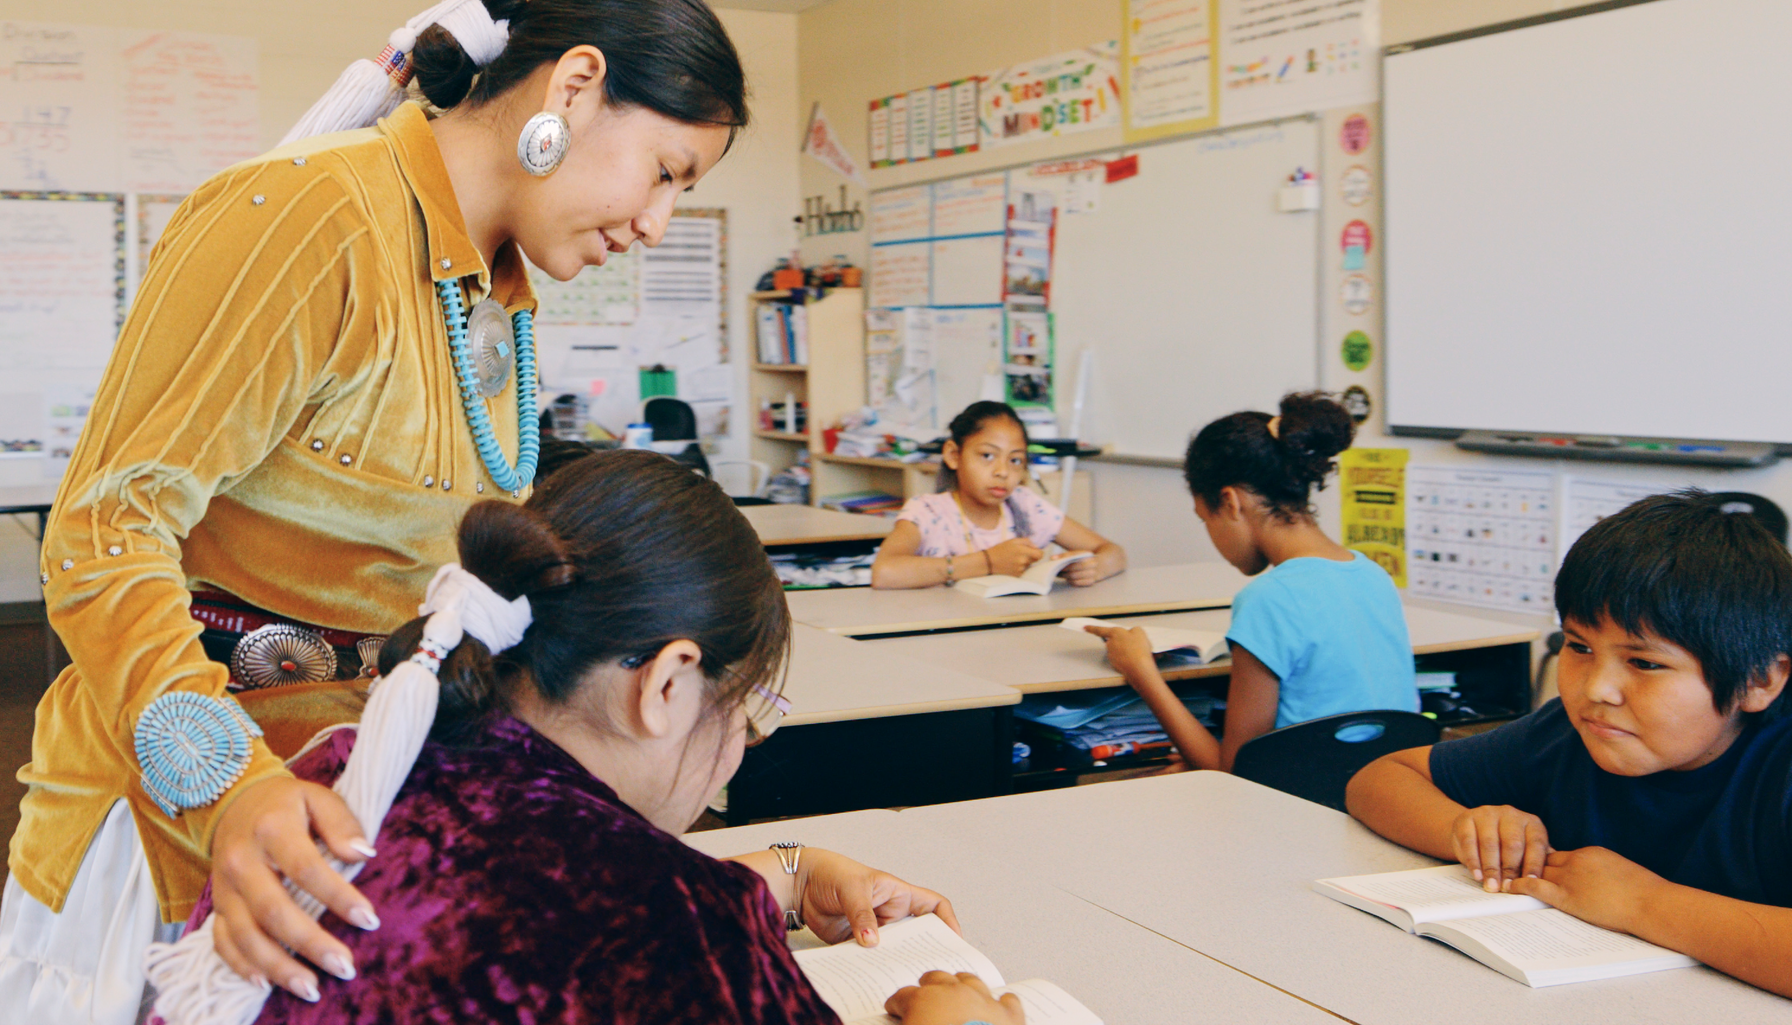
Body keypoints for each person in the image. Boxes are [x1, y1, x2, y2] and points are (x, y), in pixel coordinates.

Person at [0, 0, 751, 1024]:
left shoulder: (497, 286)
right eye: (666, 170)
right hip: (182, 822)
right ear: (573, 85)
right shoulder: (311, 217)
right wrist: (228, 790)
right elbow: (104, 532)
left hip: (342, 801)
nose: (658, 221)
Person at [147, 449, 1024, 1025]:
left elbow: (509, 893)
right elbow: (596, 912)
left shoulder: (343, 779)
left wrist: (784, 878)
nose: (740, 745)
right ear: (669, 683)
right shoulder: (675, 929)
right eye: (747, 710)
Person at [1345, 491, 1792, 1014]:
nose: (1596, 689)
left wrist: (1643, 903)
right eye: (1579, 647)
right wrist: (1467, 828)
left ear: (1760, 679)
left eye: (1645, 663)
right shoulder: (1574, 733)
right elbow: (1381, 778)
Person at [1079, 392, 1416, 772]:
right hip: (1384, 792)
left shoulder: (1268, 599)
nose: (1210, 533)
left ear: (1230, 502)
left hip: (1304, 803)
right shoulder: (1373, 575)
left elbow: (1234, 772)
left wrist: (1141, 671)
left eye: (1204, 518)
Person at [870, 401, 1125, 589]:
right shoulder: (927, 512)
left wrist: (1095, 568)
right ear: (953, 455)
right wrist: (988, 562)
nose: (1003, 471)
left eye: (1015, 460)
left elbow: (1113, 552)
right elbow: (885, 572)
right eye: (987, 456)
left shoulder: (1025, 507)